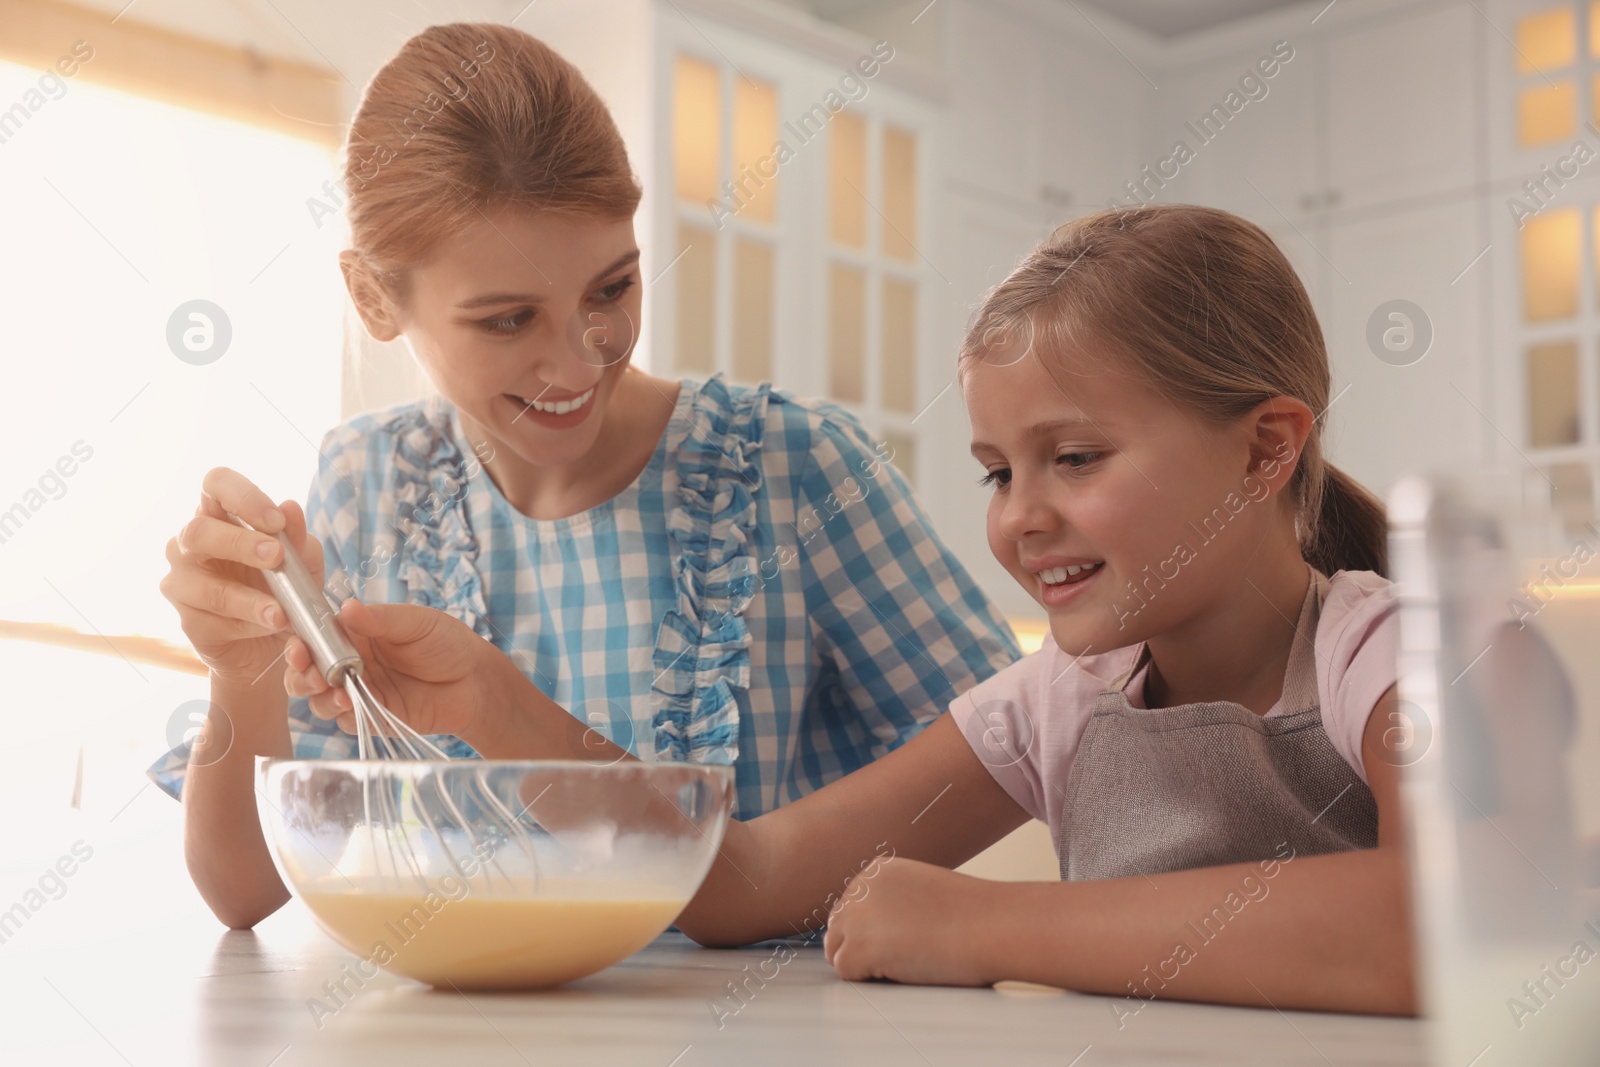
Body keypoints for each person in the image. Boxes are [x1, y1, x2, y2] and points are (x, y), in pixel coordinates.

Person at [298, 204, 1417, 1015]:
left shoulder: (1398, 652)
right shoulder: (1053, 702)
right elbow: (734, 881)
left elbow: (1430, 923)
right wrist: (489, 699)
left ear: (1266, 446)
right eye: (996, 471)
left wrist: (988, 927)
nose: (1021, 517)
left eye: (1073, 456)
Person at [153, 22, 1019, 930]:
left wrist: (771, 878)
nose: (579, 361)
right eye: (507, 321)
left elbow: (1010, 758)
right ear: (375, 298)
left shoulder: (796, 467)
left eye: (611, 290)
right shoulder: (363, 483)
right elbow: (246, 891)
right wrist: (242, 670)